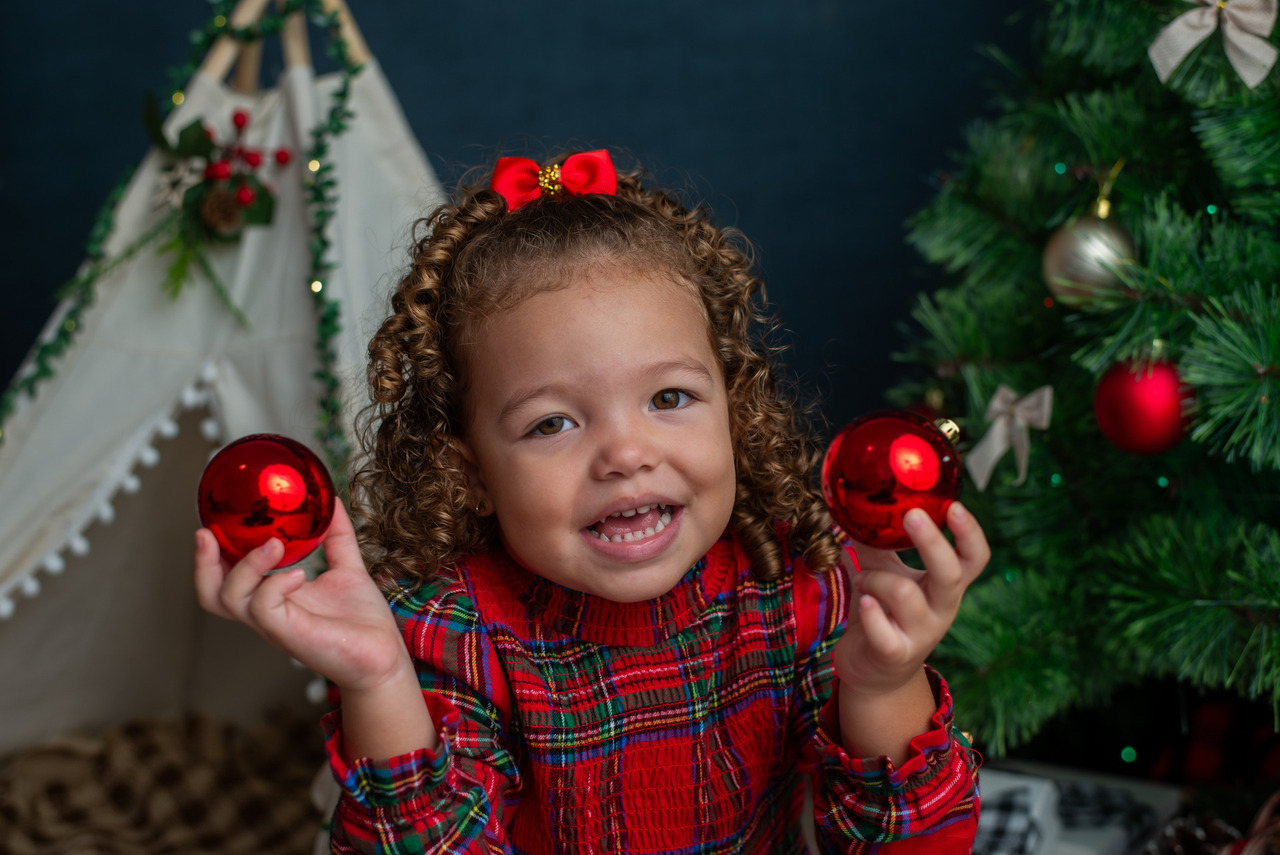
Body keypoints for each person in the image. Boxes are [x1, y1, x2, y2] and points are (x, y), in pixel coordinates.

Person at [194, 148, 990, 853]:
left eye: (669, 397)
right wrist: (378, 682)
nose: (626, 454)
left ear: (734, 406)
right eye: (552, 423)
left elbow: (917, 846)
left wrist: (884, 682)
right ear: (470, 472)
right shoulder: (455, 633)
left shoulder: (796, 585)